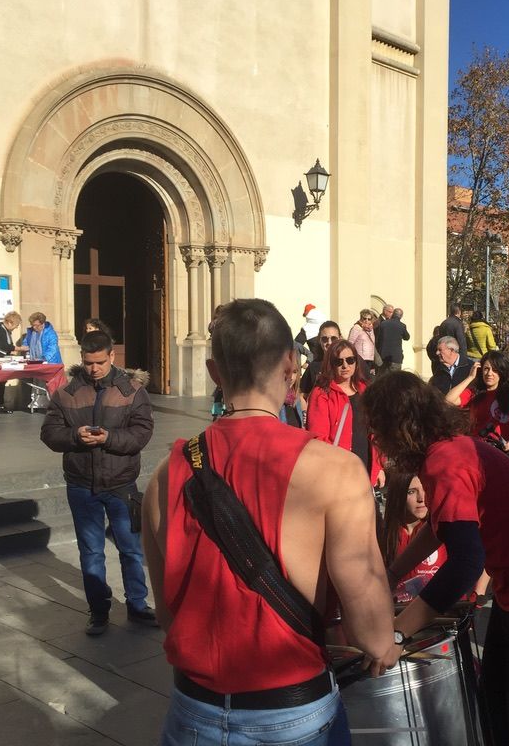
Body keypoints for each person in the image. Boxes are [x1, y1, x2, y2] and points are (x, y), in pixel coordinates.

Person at [141, 298, 393, 743]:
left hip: (193, 710)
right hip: (292, 712)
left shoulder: (165, 474)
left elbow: (166, 612)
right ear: (291, 365)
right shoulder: (334, 470)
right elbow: (369, 619)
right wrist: (384, 645)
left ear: (214, 371)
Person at [363, 372, 509, 746]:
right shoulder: (446, 448)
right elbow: (444, 525)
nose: (375, 437)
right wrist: (392, 573)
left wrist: (400, 632)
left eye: (378, 427)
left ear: (398, 424)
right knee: (495, 701)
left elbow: (467, 562)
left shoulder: (445, 462)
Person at [40, 331, 158, 635]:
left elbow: (142, 433)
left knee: (131, 549)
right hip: (81, 484)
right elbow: (50, 433)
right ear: (81, 359)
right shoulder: (67, 392)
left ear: (112, 357)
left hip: (121, 484)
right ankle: (99, 611)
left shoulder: (132, 390)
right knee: (91, 550)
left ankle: (138, 604)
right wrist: (73, 436)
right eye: (88, 362)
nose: (94, 368)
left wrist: (109, 438)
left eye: (100, 362)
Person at [306, 338, 381, 484]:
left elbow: (377, 431)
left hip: (367, 463)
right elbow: (319, 438)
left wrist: (379, 468)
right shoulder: (321, 393)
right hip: (338, 469)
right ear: (331, 364)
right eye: (338, 362)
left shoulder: (365, 390)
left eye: (350, 360)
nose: (345, 365)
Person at [381, 472, 447, 604]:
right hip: (397, 614)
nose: (421, 498)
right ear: (397, 496)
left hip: (441, 615)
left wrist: (477, 595)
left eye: (426, 489)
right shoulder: (381, 534)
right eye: (411, 492)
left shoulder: (443, 529)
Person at [445, 350, 509, 453]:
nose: (489, 373)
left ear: (502, 372)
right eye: (486, 369)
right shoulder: (473, 393)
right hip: (476, 449)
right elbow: (448, 401)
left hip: (501, 452)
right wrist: (470, 377)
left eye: (495, 370)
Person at [299, 321, 341, 400]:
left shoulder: (351, 361)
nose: (329, 342)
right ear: (319, 340)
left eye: (333, 338)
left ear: (340, 338)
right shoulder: (314, 367)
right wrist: (305, 410)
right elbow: (302, 394)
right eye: (324, 339)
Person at [374, 307, 409, 372]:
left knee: (383, 378)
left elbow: (377, 339)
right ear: (401, 316)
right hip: (396, 358)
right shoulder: (402, 326)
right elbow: (407, 337)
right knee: (394, 379)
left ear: (393, 314)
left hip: (383, 357)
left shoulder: (383, 324)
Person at [347, 309, 377, 376]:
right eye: (364, 318)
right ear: (361, 318)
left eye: (369, 319)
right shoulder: (356, 327)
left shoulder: (371, 329)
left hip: (370, 358)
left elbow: (372, 344)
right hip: (360, 358)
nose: (366, 320)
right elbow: (350, 343)